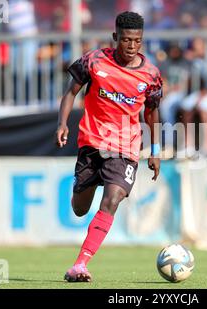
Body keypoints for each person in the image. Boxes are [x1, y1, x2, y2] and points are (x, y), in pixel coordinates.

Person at [55, 11, 162, 282]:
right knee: (80, 208)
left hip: (125, 148)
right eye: (126, 40)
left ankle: (80, 265)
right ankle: (85, 185)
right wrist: (62, 123)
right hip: (92, 142)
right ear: (116, 38)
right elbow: (71, 92)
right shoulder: (93, 61)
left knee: (113, 199)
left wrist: (155, 151)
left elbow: (152, 113)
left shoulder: (151, 75)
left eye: (137, 41)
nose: (131, 46)